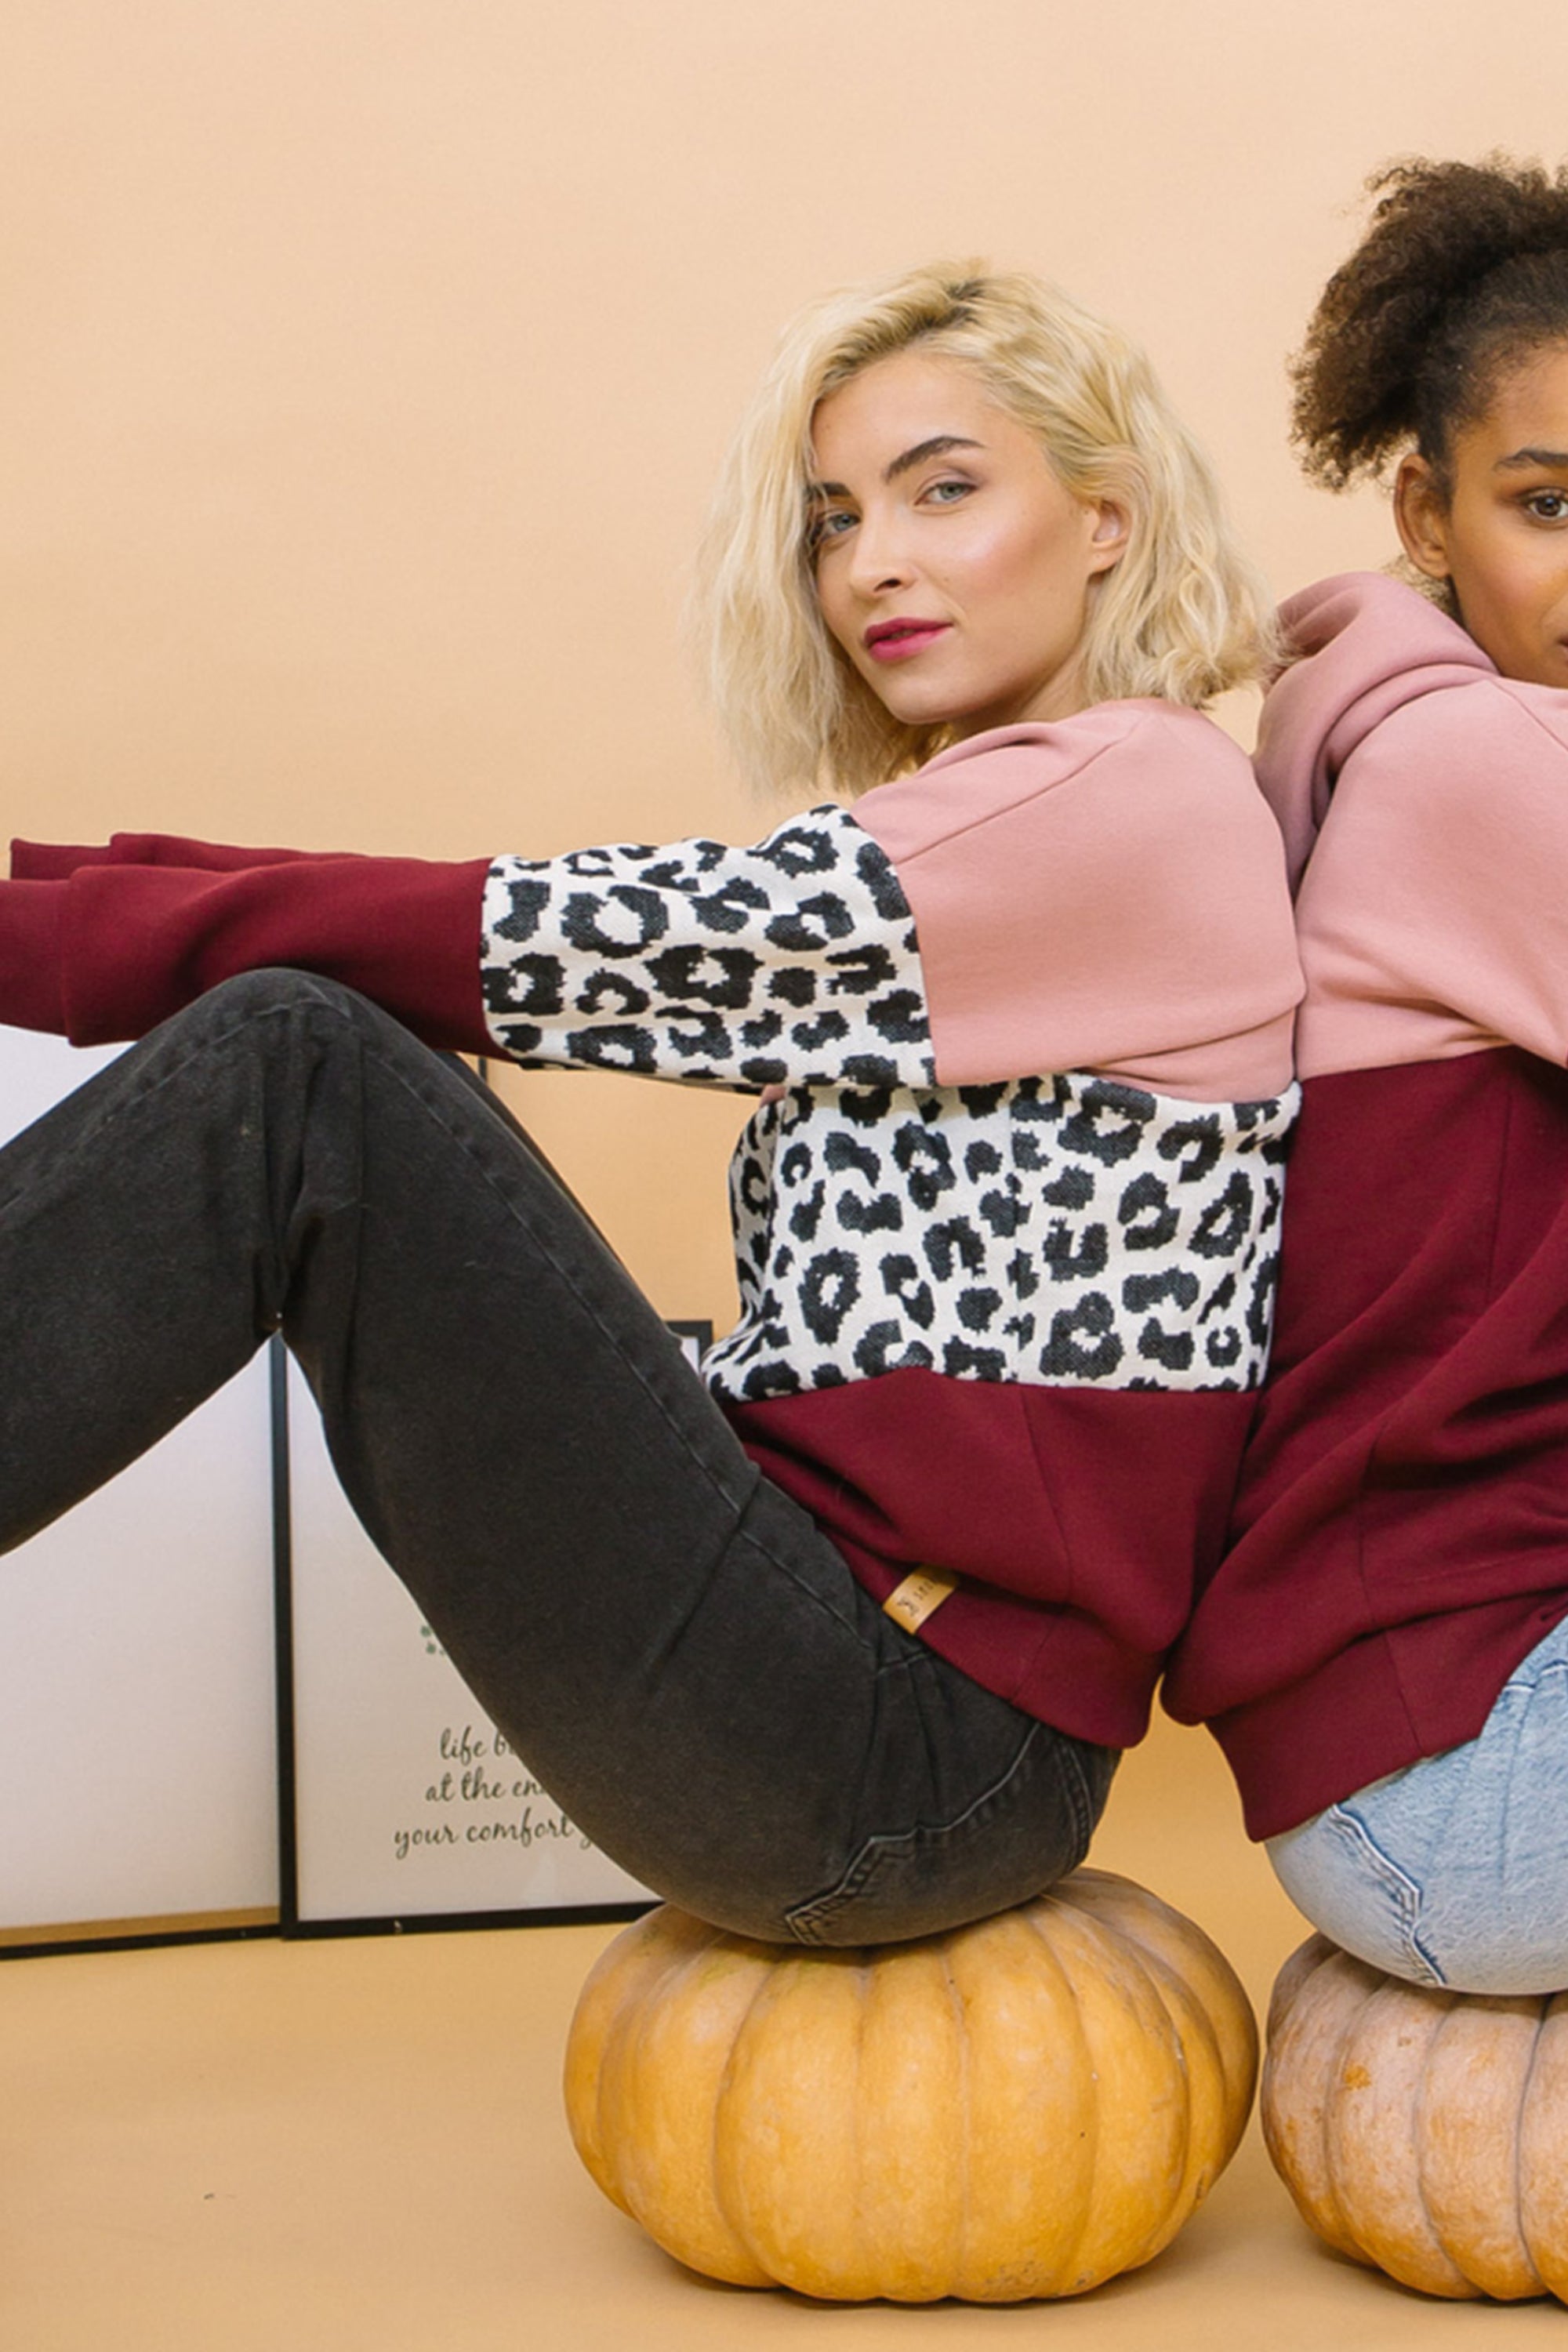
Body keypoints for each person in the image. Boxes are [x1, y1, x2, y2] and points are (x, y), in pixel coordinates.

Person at [0, 263, 1299, 1947]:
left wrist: (46, 932)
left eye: (943, 491)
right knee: (333, 1056)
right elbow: (522, 947)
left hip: (900, 1747)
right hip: (852, 1676)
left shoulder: (1130, 804)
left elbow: (564, 942)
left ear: (1106, 519)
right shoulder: (1033, 817)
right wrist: (59, 896)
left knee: (301, 1067)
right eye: (833, 520)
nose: (871, 563)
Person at [1164, 158, 1568, 1994]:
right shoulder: (1482, 766)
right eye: (1548, 504)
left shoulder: (1396, 729)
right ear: (1424, 508)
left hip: (1413, 1740)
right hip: (1464, 1768)